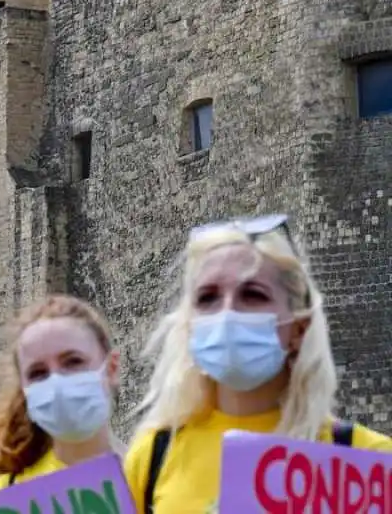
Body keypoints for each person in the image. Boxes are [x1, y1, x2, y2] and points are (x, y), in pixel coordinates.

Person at [123, 214, 392, 514]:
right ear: (190, 326)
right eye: (208, 297)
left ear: (299, 328)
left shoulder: (368, 459)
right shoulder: (150, 459)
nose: (228, 312)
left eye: (253, 295)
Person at [0, 295, 123, 494]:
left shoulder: (151, 474)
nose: (56, 381)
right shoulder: (4, 495)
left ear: (112, 368)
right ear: (24, 389)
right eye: (38, 373)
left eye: (73, 361)